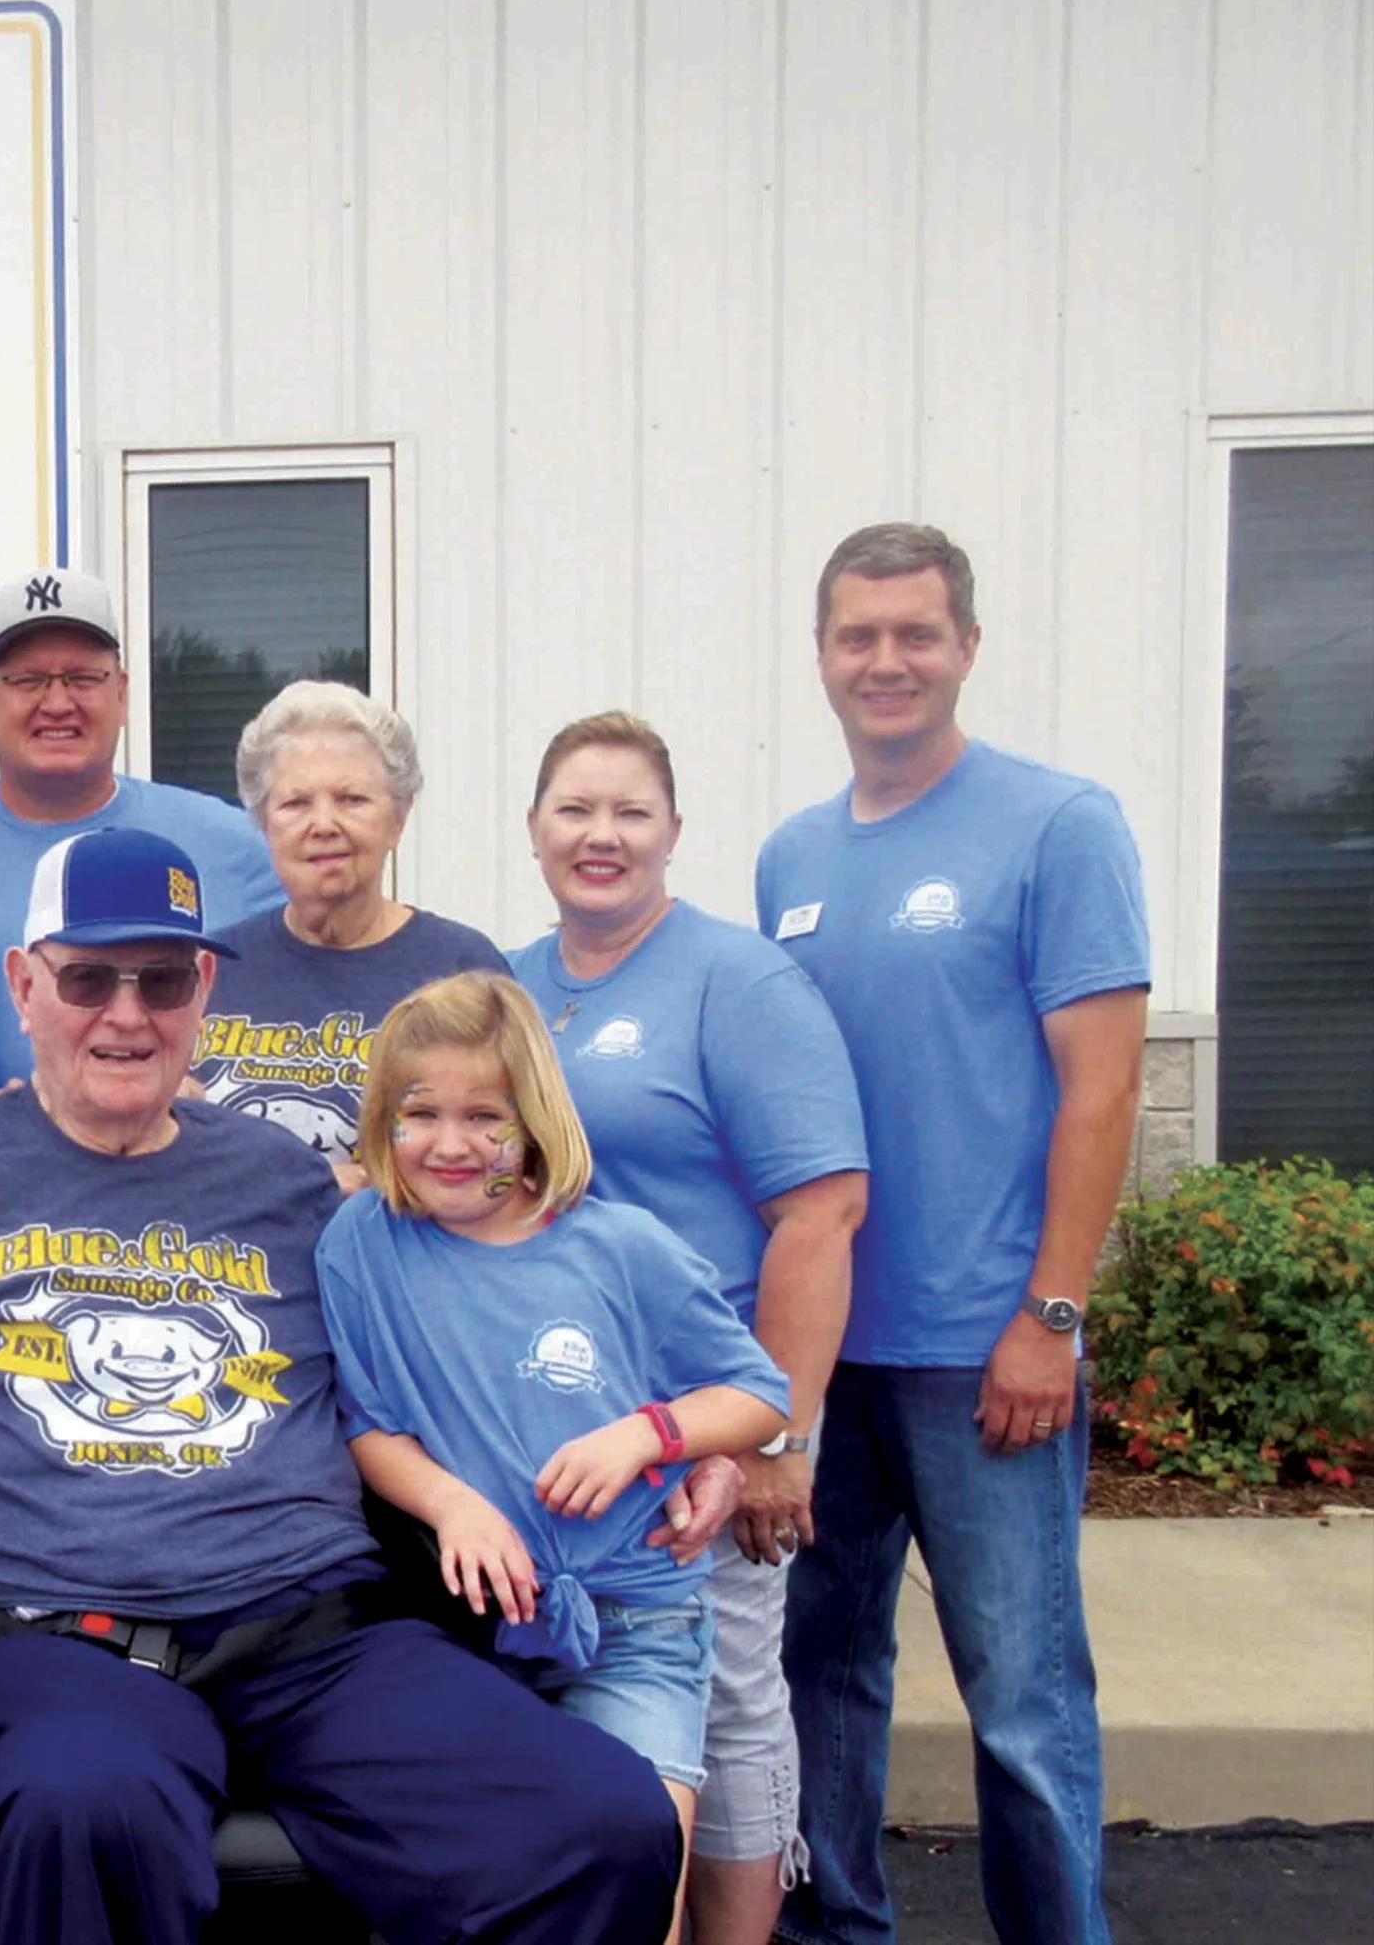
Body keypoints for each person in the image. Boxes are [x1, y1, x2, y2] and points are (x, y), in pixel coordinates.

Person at [0, 827, 685, 1945]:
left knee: (604, 1821)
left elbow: (498, 1316)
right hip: (46, 1641)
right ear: (23, 984)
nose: (126, 1014)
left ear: (205, 991)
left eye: (162, 978)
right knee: (92, 1798)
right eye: (87, 977)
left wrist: (686, 1438)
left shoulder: (291, 1182)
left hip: (314, 1639)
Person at [758, 524, 1149, 1945]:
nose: (887, 661)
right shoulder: (790, 855)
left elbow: (1104, 1085)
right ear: (821, 656)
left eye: (916, 633)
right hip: (824, 1356)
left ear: (967, 646)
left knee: (1025, 1696)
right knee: (823, 1670)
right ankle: (837, 1925)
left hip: (986, 1348)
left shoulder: (1060, 822)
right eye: (857, 636)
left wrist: (1049, 1315)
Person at [318, 971, 791, 1936]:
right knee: (487, 1894)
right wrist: (453, 1505)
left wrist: (649, 1435)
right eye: (420, 1113)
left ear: (534, 1119)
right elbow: (368, 1422)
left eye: (485, 1116)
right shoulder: (361, 1241)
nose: (451, 1144)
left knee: (636, 1874)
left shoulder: (622, 1247)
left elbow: (757, 1394)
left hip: (634, 1626)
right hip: (462, 1628)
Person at [505, 712, 867, 1945]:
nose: (599, 837)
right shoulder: (508, 988)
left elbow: (820, 1213)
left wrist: (775, 1438)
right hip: (555, 1433)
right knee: (586, 1697)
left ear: (671, 833)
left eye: (629, 814)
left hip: (702, 1434)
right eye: (574, 810)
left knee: (726, 1698)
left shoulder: (738, 981)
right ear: (534, 826)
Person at [0, 567, 285, 1083]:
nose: (58, 703)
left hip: (187, 1155)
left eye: (83, 678)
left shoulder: (240, 847)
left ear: (122, 693)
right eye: (28, 680)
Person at [191, 680, 507, 1178]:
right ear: (263, 824)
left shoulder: (462, 969)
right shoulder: (208, 967)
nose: (323, 824)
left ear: (398, 820)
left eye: (352, 799)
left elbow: (511, 1153)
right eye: (295, 803)